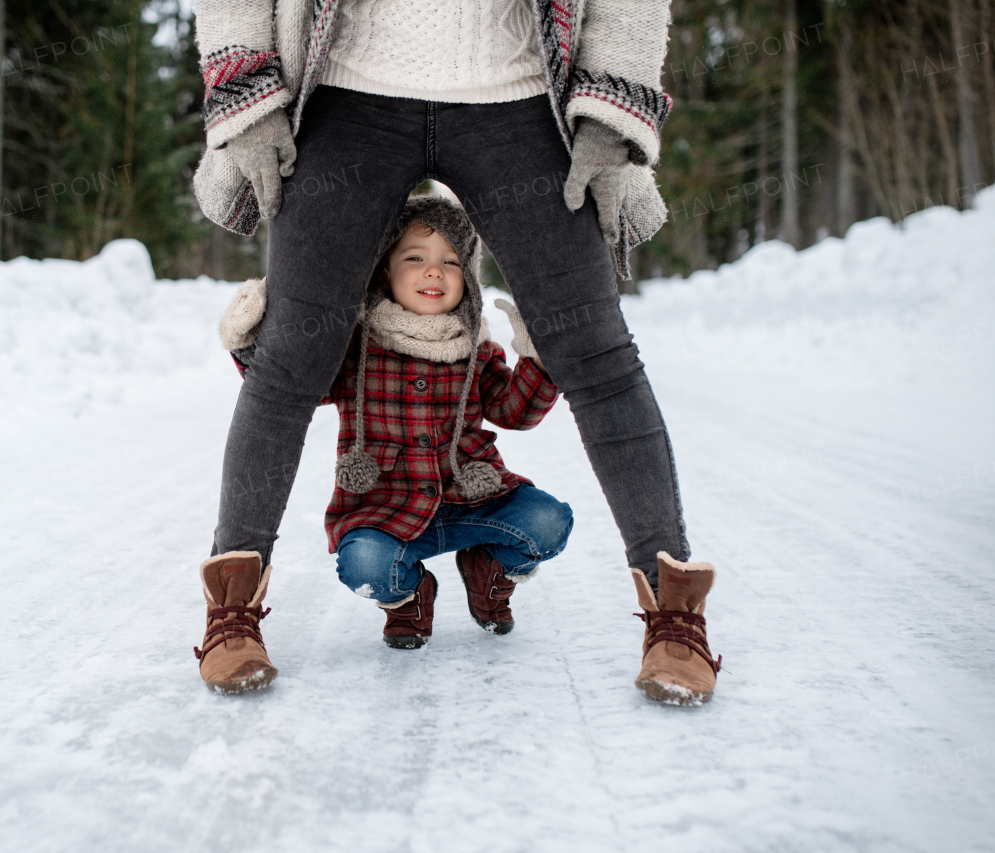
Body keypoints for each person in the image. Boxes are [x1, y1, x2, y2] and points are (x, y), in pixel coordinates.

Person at [191, 0, 722, 705]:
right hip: (348, 95)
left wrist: (611, 100)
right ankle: (231, 608)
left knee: (593, 349)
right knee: (292, 351)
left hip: (518, 97)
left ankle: (674, 614)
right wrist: (247, 95)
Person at [201, 196, 573, 665]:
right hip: (386, 512)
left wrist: (538, 356)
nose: (433, 272)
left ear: (469, 281)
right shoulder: (357, 346)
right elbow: (299, 386)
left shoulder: (475, 349)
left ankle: (487, 569)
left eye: (451, 262)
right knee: (364, 564)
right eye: (415, 258)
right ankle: (408, 596)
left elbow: (516, 411)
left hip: (471, 500)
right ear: (384, 271)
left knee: (548, 521)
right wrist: (252, 345)